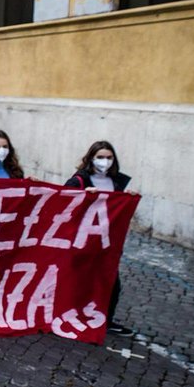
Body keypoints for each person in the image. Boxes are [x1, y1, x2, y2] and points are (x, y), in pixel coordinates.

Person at [66, 141, 136, 337]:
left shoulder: (116, 182)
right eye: (100, 157)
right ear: (91, 158)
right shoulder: (79, 180)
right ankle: (71, 315)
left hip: (106, 242)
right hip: (82, 241)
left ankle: (106, 319)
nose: (105, 161)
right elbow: (64, 205)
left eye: (109, 157)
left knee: (111, 281)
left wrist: (126, 198)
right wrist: (82, 196)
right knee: (78, 279)